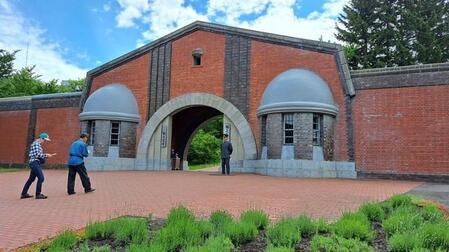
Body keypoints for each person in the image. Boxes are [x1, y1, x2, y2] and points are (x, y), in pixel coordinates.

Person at [21, 132, 55, 199]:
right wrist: (46, 155)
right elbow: (38, 155)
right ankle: (38, 194)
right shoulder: (36, 144)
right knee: (41, 178)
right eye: (44, 140)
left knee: (31, 179)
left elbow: (38, 154)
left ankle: (24, 194)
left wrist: (46, 155)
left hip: (34, 162)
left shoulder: (37, 144)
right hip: (34, 162)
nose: (44, 142)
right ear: (41, 138)